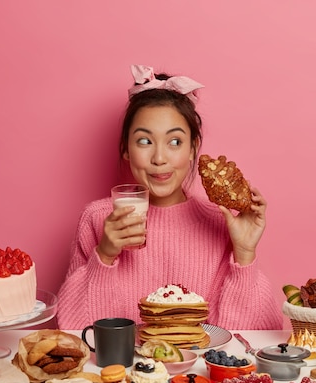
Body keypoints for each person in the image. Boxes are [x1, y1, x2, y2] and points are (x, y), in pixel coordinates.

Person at [57, 65, 282, 330]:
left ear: (192, 149)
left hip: (195, 371)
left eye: (174, 142)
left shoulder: (220, 223)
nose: (159, 158)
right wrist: (105, 255)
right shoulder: (97, 220)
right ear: (126, 150)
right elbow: (75, 332)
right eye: (144, 141)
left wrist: (244, 254)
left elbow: (248, 342)